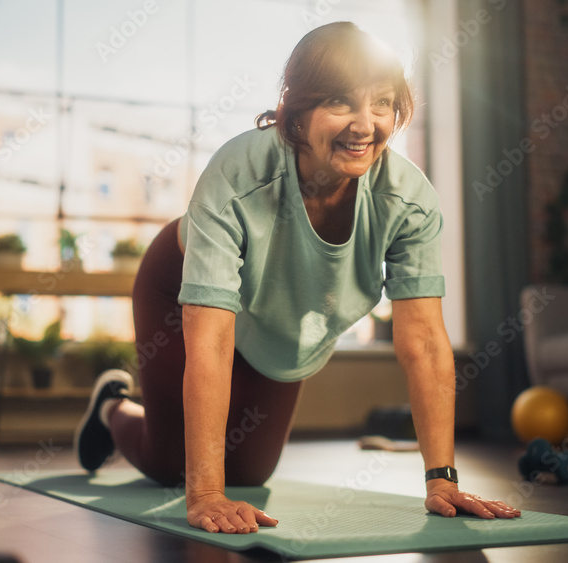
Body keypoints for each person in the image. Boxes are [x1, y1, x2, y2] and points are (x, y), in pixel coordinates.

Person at [75, 21, 520, 535]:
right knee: (175, 465)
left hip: (275, 314)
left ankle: (173, 447)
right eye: (340, 102)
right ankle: (112, 408)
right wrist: (204, 494)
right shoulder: (238, 175)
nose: (364, 125)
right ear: (296, 111)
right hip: (178, 288)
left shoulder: (408, 200)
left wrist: (441, 481)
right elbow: (213, 342)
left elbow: (422, 339)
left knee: (247, 472)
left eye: (381, 103)